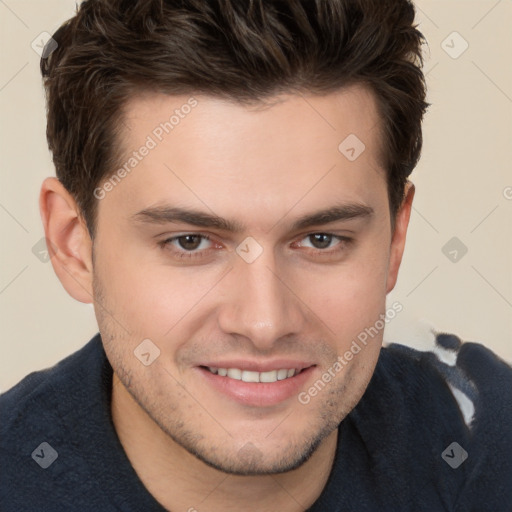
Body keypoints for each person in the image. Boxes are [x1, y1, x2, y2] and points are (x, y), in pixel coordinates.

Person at [1, 0, 511, 510]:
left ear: (395, 240)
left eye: (321, 239)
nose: (264, 323)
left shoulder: (486, 440)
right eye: (190, 242)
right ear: (74, 246)